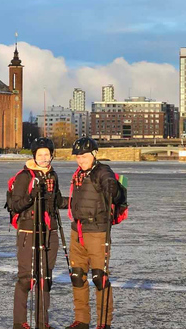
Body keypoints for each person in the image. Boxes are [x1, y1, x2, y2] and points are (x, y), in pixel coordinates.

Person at [66, 137, 125, 329]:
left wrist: (113, 189)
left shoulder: (103, 171)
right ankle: (82, 320)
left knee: (100, 277)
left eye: (83, 156)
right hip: (77, 231)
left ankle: (103, 322)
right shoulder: (78, 175)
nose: (80, 160)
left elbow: (113, 189)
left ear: (93, 154)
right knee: (77, 275)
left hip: (97, 231)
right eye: (78, 157)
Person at [8, 137, 67, 329]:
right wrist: (30, 197)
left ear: (51, 156)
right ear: (34, 156)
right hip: (28, 230)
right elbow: (14, 205)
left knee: (45, 277)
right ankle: (20, 322)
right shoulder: (24, 176)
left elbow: (57, 201)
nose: (44, 158)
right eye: (40, 154)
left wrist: (80, 202)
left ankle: (43, 322)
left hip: (50, 231)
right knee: (26, 278)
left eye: (47, 154)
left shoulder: (52, 176)